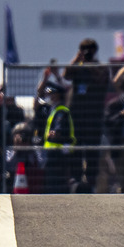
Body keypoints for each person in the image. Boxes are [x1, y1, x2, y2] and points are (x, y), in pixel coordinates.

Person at [64, 38, 109, 191]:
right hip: (77, 115)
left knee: (92, 151)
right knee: (75, 149)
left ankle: (91, 181)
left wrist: (90, 65)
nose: (87, 53)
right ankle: (76, 179)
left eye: (89, 49)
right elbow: (66, 75)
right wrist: (77, 60)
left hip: (94, 116)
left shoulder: (101, 67)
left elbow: (101, 78)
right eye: (84, 49)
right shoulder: (78, 66)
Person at [41, 80, 76, 193]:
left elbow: (57, 132)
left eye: (52, 93)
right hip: (53, 153)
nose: (49, 96)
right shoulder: (53, 109)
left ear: (58, 95)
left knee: (55, 185)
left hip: (57, 154)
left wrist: (49, 134)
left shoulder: (61, 111)